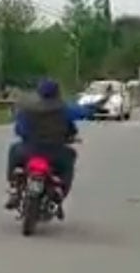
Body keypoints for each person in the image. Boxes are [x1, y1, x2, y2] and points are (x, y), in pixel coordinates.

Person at [5, 79, 91, 219]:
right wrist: (93, 109)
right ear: (57, 93)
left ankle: (14, 187)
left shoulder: (29, 108)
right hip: (56, 153)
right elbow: (83, 112)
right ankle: (60, 192)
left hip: (29, 150)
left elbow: (19, 129)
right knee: (70, 158)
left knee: (14, 151)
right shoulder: (64, 109)